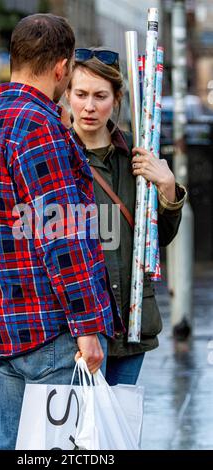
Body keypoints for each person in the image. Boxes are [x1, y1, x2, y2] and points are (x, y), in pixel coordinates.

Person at [0, 15, 122, 450]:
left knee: (13, 443)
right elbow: (63, 237)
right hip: (52, 326)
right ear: (61, 69)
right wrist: (89, 327)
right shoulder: (39, 127)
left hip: (6, 323)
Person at [65, 47, 187, 386]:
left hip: (132, 319)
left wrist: (167, 187)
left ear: (116, 99)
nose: (89, 107)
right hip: (80, 327)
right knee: (82, 433)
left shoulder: (137, 153)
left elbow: (157, 238)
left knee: (118, 430)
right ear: (68, 96)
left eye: (100, 96)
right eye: (81, 94)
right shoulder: (57, 155)